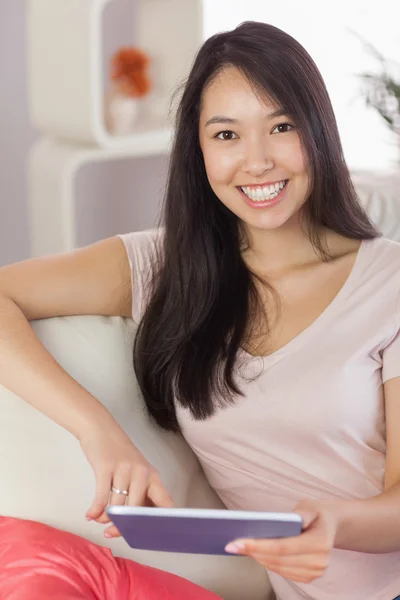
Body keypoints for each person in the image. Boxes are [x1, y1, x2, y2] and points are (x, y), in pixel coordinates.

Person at [1, 20, 400, 600]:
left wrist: (338, 523)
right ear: (199, 150)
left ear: (317, 133)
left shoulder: (388, 282)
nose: (257, 162)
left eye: (281, 126)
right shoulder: (163, 266)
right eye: (227, 135)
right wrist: (98, 432)